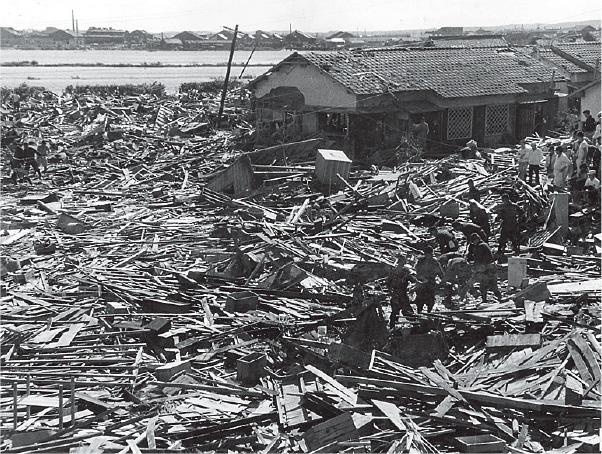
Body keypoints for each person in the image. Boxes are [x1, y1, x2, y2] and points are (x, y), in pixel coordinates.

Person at [463, 233, 502, 305]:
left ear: (476, 240)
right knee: (493, 285)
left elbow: (478, 259)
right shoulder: (484, 244)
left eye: (473, 242)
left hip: (487, 268)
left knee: (484, 285)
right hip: (491, 267)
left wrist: (475, 268)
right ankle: (500, 298)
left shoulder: (481, 246)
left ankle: (485, 300)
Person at [386, 255, 417, 326]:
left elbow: (387, 283)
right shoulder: (405, 271)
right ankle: (415, 326)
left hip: (395, 294)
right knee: (408, 312)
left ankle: (392, 327)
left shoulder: (393, 271)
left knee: (394, 312)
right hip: (402, 294)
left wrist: (390, 291)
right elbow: (413, 280)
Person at [414, 246, 443, 313]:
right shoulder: (420, 261)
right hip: (421, 282)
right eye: (428, 254)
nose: (429, 256)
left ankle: (429, 313)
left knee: (430, 299)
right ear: (425, 254)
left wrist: (443, 281)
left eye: (430, 254)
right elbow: (417, 270)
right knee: (420, 298)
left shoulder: (434, 262)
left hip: (431, 282)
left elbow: (440, 272)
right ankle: (419, 311)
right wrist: (421, 277)